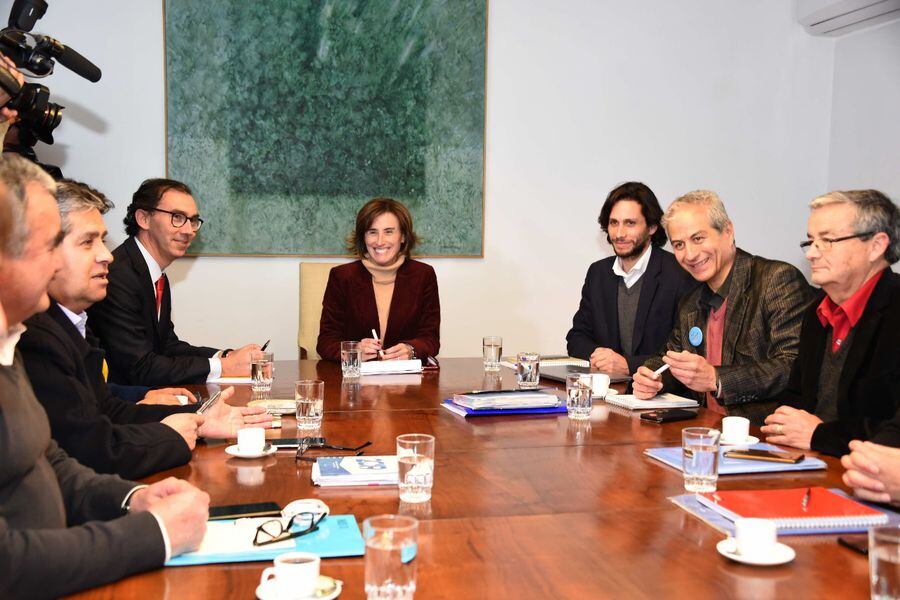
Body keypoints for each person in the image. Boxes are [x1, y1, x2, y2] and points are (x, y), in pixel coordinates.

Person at [0, 154, 208, 598]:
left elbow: (50, 459)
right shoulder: (33, 338)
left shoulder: (10, 342)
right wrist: (157, 535)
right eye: (47, 243)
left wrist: (132, 499)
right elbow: (8, 563)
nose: (105, 257)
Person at [19, 180, 271, 479]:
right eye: (88, 242)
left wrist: (201, 412)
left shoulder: (77, 318)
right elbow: (95, 444)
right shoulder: (39, 333)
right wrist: (178, 431)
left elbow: (111, 402)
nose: (106, 256)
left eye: (193, 220)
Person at [632, 190, 815, 422]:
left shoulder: (775, 280)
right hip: (704, 431)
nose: (690, 254)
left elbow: (793, 366)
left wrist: (717, 378)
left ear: (728, 232)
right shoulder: (691, 302)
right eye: (678, 244)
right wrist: (651, 376)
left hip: (761, 435)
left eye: (698, 238)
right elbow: (670, 358)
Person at [761, 190, 900, 455]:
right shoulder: (817, 310)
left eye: (827, 241)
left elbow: (892, 431)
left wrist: (819, 435)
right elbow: (796, 398)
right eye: (811, 241)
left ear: (876, 245)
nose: (812, 253)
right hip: (807, 463)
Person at [87, 178, 260, 385]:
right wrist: (224, 367)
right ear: (143, 218)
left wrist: (224, 356)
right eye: (177, 217)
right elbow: (140, 367)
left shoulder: (154, 273)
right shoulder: (117, 276)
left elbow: (167, 346)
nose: (188, 230)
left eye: (193, 220)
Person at [566, 182, 696, 377]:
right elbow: (577, 337)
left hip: (663, 396)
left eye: (630, 223)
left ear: (652, 227)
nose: (619, 234)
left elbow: (685, 352)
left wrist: (629, 365)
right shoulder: (598, 273)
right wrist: (598, 356)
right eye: (613, 223)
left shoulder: (679, 274)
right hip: (609, 394)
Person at [317, 197, 440, 362]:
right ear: (363, 238)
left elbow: (430, 338)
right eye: (372, 232)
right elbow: (325, 342)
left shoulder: (424, 275)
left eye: (388, 231)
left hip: (406, 382)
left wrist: (411, 350)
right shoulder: (342, 277)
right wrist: (353, 351)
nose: (380, 241)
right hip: (356, 382)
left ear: (403, 236)